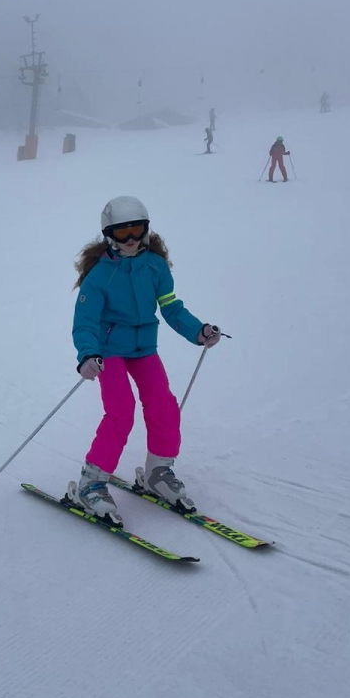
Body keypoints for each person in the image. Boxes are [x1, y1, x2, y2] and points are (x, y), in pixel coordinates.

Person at [70, 196, 221, 525]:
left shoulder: (155, 266)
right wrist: (87, 355)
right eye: (122, 232)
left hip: (144, 349)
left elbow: (171, 308)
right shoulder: (100, 275)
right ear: (109, 234)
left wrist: (198, 331)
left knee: (163, 404)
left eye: (136, 230)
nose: (130, 238)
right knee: (121, 411)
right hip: (108, 351)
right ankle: (91, 483)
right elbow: (84, 322)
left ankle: (158, 472)